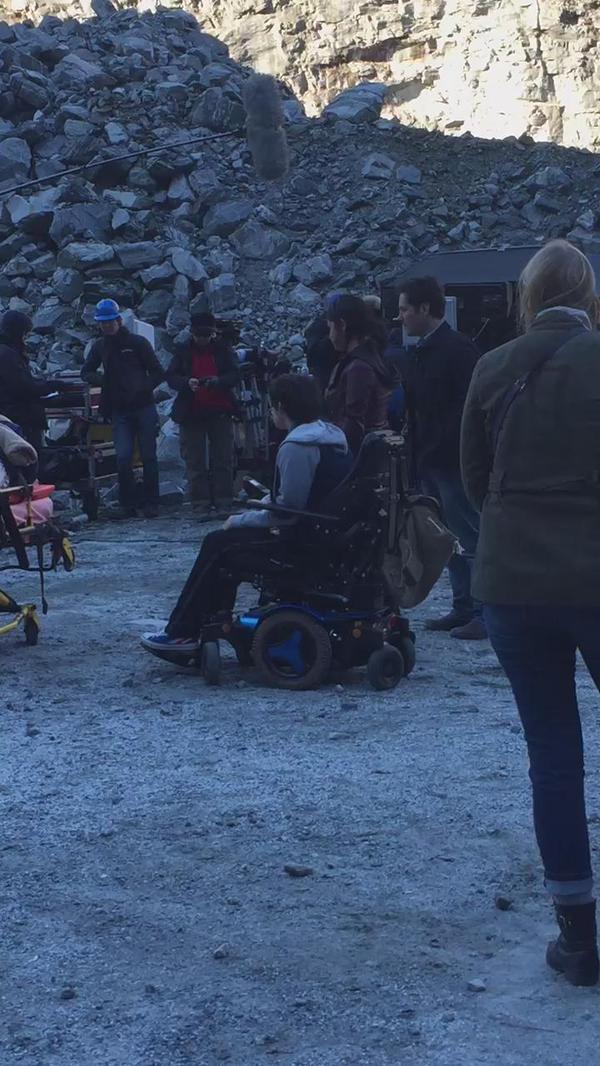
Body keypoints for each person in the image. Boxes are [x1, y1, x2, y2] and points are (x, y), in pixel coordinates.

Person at [461, 239, 600, 987]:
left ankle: (576, 937)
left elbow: (474, 479)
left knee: (553, 754)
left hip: (512, 582)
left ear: (529, 297)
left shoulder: (493, 366)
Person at [142, 373, 351, 655]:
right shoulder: (332, 437)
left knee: (218, 543)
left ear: (281, 406)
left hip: (301, 541)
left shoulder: (297, 447)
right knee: (225, 542)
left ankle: (183, 631)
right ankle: (206, 623)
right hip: (324, 532)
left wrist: (240, 520)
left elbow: (287, 510)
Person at [397, 276, 484, 640]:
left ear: (424, 308)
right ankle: (464, 606)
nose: (400, 317)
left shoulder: (458, 351)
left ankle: (482, 612)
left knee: (469, 536)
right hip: (431, 460)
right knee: (447, 538)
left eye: (405, 309)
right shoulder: (422, 352)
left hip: (452, 462)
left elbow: (467, 411)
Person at [81, 299, 164, 519]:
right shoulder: (100, 346)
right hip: (120, 410)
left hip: (143, 407)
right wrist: (104, 381)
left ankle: (152, 503)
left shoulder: (138, 343)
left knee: (148, 456)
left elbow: (157, 371)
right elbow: (86, 371)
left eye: (109, 322)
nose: (106, 326)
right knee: (123, 457)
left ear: (118, 320)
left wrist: (142, 388)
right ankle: (128, 504)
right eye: (103, 323)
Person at [166, 313, 240, 512]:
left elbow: (235, 374)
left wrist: (219, 382)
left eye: (207, 335)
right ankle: (200, 502)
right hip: (191, 412)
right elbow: (171, 376)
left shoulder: (223, 349)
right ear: (193, 333)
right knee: (194, 460)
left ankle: (224, 500)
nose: (203, 339)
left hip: (220, 410)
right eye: (200, 335)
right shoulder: (183, 351)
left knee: (223, 458)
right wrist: (186, 383)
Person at [325, 294, 393, 456]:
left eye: (330, 328)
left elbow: (354, 425)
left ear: (342, 325)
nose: (330, 336)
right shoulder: (367, 357)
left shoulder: (359, 368)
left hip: (360, 459)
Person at [0, 310, 63, 455]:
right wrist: (50, 386)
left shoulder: (8, 352)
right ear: (19, 332)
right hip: (19, 418)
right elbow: (23, 387)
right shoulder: (8, 355)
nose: (26, 339)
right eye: (25, 334)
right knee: (30, 457)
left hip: (11, 416)